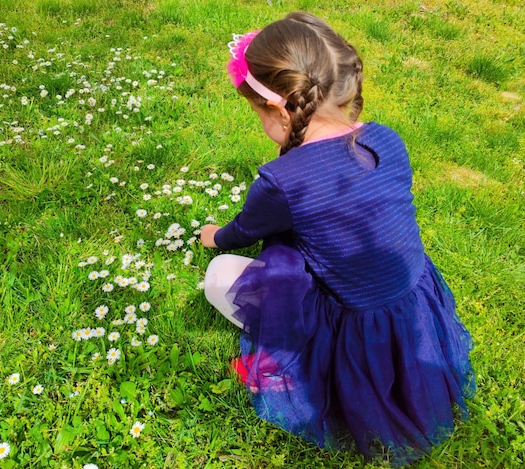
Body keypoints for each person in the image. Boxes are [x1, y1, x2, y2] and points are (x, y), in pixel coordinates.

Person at [200, 12, 475, 467]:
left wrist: (214, 236)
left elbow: (244, 232)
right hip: (414, 311)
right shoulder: (387, 139)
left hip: (352, 333)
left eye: (258, 114)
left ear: (280, 109)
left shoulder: (280, 180)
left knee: (219, 277)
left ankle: (291, 360)